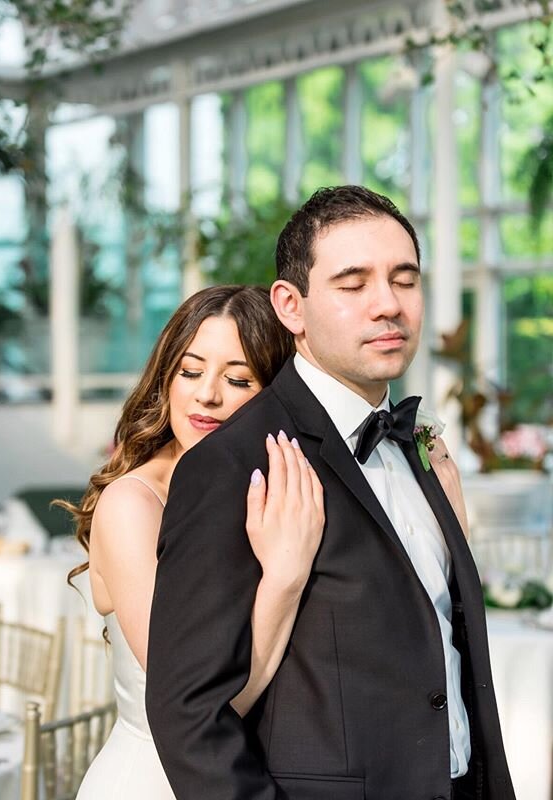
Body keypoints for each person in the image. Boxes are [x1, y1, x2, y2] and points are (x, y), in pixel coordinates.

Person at [145, 186, 515, 800]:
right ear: (291, 306)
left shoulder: (421, 448)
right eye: (353, 284)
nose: (388, 305)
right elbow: (188, 713)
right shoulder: (233, 464)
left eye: (405, 280)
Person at [64, 285, 326, 799]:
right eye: (190, 371)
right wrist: (285, 577)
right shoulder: (131, 505)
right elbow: (203, 706)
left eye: (238, 378)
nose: (207, 394)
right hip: (155, 782)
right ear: (166, 379)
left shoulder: (280, 497)